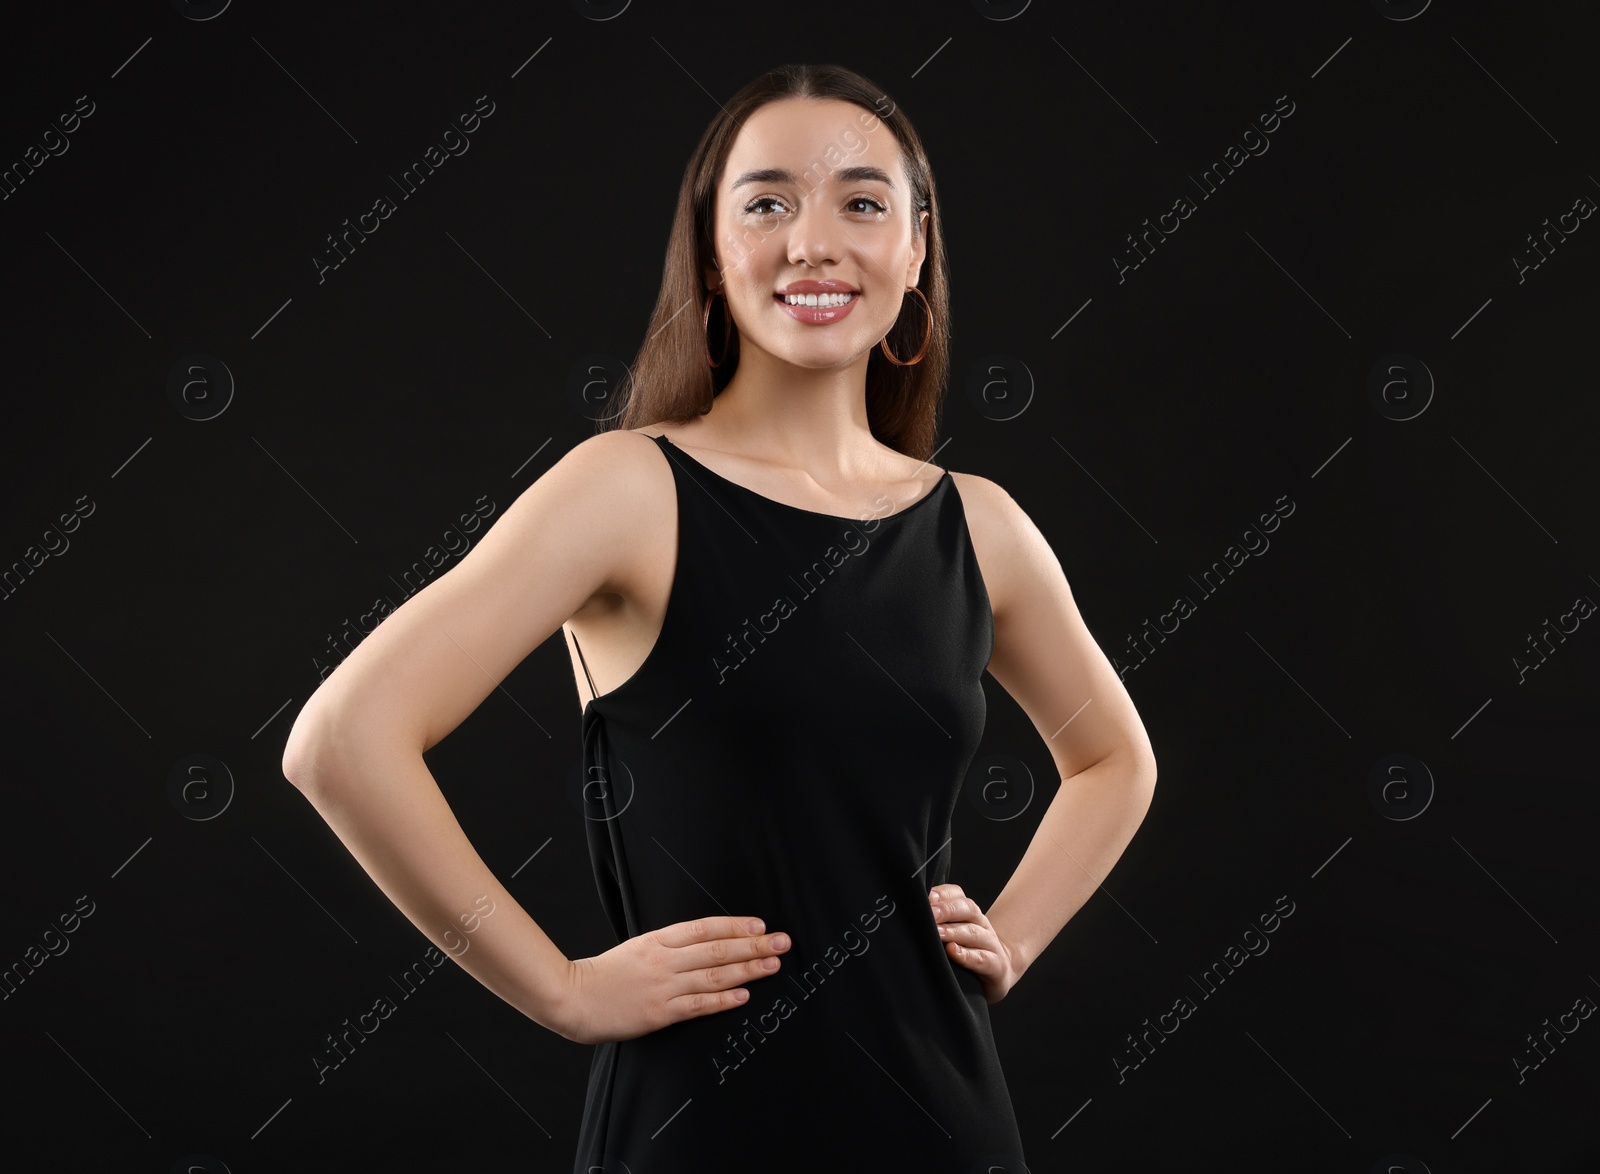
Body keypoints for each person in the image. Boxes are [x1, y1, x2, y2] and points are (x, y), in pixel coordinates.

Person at [282, 62, 1157, 1172]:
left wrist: (1014, 935)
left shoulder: (977, 526)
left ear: (916, 248)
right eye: (767, 202)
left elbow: (1112, 760)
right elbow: (342, 742)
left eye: (862, 202)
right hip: (699, 1126)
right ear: (709, 250)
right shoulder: (625, 489)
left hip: (945, 1119)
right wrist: (560, 989)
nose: (813, 242)